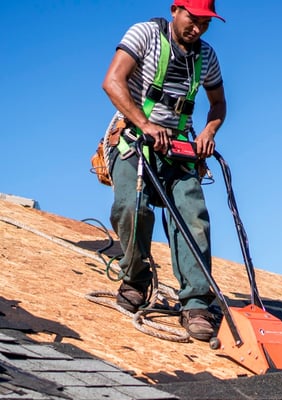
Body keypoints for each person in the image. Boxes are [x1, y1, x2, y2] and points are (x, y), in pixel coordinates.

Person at [101, 0, 226, 342]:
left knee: (193, 217)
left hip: (179, 149)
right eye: (192, 19)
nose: (197, 28)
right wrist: (145, 124)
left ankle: (197, 302)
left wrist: (207, 133)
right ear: (175, 10)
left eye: (205, 22)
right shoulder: (145, 34)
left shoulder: (207, 57)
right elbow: (112, 81)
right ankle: (136, 280)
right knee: (132, 207)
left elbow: (218, 105)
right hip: (132, 138)